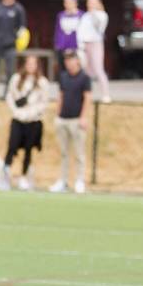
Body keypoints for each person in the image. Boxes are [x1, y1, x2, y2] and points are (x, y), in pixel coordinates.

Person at [1, 55, 49, 190]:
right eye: (28, 63)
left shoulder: (42, 82)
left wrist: (32, 113)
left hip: (33, 120)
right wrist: (16, 111)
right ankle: (6, 174)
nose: (30, 66)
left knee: (28, 150)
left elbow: (43, 102)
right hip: (18, 118)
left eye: (33, 64)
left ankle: (23, 177)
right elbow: (10, 96)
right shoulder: (16, 79)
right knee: (12, 146)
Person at [50, 50, 93, 194]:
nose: (68, 62)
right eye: (66, 60)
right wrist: (57, 114)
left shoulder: (84, 78)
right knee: (64, 153)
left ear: (78, 61)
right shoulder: (63, 77)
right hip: (63, 119)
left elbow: (87, 98)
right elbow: (61, 96)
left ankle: (79, 180)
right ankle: (63, 180)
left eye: (71, 59)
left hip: (77, 120)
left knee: (79, 153)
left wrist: (83, 117)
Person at [77, 0, 110, 103]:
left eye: (93, 2)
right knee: (86, 71)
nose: (90, 4)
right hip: (85, 45)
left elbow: (99, 28)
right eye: (89, 2)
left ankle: (106, 94)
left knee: (98, 69)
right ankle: (86, 94)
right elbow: (80, 31)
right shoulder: (85, 16)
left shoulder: (102, 15)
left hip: (95, 43)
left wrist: (94, 13)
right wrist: (80, 45)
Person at [53, 0, 82, 74]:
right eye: (65, 2)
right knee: (63, 69)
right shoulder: (61, 15)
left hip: (77, 46)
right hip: (63, 46)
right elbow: (58, 31)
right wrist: (57, 44)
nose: (67, 4)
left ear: (75, 3)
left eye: (70, 2)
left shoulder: (81, 15)